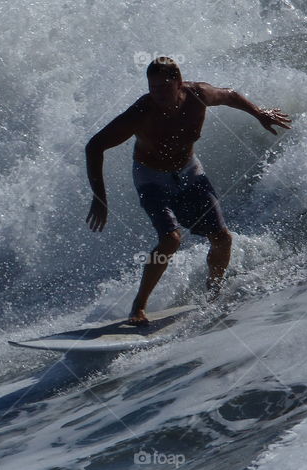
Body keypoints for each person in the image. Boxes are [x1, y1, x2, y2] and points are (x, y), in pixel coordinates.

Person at [84, 57, 291, 325]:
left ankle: (213, 293)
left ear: (179, 83)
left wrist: (259, 112)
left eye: (164, 87)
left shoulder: (198, 95)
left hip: (189, 171)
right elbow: (94, 146)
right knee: (171, 240)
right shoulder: (141, 112)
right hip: (151, 178)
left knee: (222, 238)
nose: (157, 94)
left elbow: (229, 95)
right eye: (153, 87)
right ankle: (138, 306)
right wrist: (99, 197)